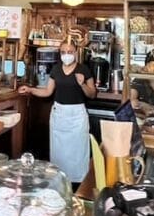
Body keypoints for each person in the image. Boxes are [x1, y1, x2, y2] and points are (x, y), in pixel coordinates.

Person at [19, 39, 97, 184]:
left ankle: (78, 185)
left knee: (78, 153)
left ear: (75, 52)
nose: (66, 55)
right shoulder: (56, 69)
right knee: (58, 152)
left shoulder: (83, 70)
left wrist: (83, 84)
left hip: (77, 116)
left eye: (69, 52)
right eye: (63, 52)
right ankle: (58, 182)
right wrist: (30, 89)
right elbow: (48, 92)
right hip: (59, 114)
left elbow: (92, 94)